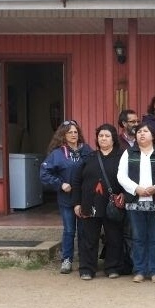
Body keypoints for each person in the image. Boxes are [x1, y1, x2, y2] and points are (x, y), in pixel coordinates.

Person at [71, 123, 126, 280]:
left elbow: (128, 179)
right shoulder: (89, 157)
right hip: (90, 204)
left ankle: (113, 267)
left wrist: (124, 194)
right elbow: (76, 181)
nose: (103, 138)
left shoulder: (122, 157)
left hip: (111, 205)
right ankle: (87, 268)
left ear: (113, 139)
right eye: (101, 136)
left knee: (114, 237)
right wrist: (77, 203)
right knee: (88, 238)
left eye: (107, 136)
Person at [117, 123, 155, 283]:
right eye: (139, 132)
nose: (141, 134)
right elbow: (121, 175)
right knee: (138, 237)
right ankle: (139, 270)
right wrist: (136, 188)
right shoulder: (129, 152)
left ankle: (154, 270)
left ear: (153, 135)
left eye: (145, 131)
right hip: (135, 202)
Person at [40, 120, 93, 274]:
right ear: (63, 135)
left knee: (84, 230)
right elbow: (44, 173)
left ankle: (85, 259)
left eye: (75, 132)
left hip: (83, 198)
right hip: (66, 199)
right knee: (69, 230)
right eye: (69, 132)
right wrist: (60, 184)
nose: (73, 134)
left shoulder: (86, 150)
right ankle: (67, 260)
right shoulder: (57, 154)